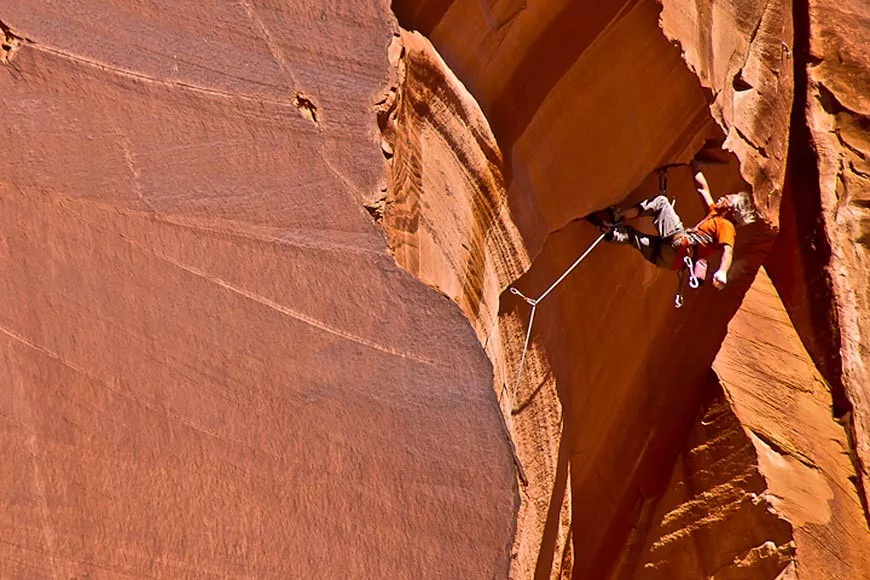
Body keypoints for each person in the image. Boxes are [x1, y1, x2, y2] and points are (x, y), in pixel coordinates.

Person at [592, 161, 757, 289]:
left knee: (661, 203)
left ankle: (618, 214)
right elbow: (702, 189)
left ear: (732, 210)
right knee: (629, 235)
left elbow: (728, 250)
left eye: (729, 198)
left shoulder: (726, 226)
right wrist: (695, 163)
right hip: (669, 261)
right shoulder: (715, 214)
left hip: (679, 245)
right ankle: (609, 231)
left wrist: (722, 272)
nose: (724, 196)